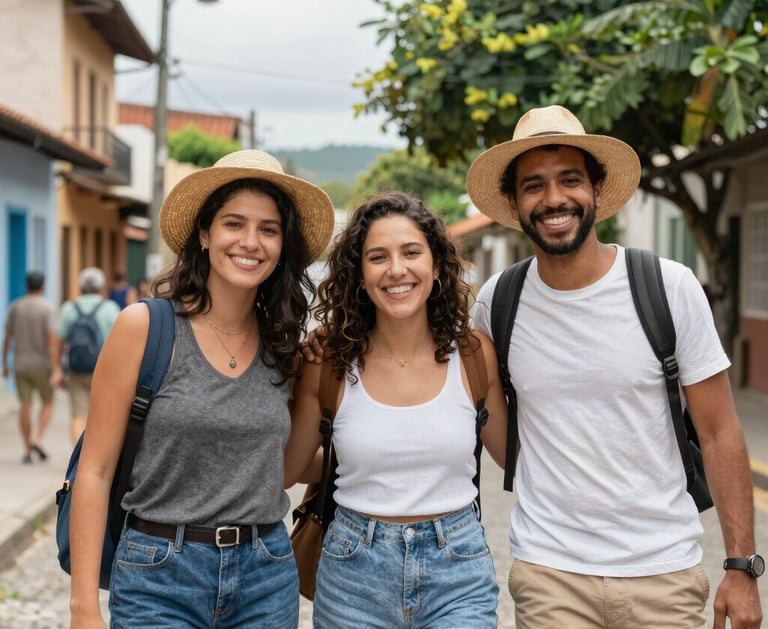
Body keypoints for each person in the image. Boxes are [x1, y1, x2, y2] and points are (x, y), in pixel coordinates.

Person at [464, 105, 762, 628]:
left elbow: (718, 432)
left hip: (663, 575)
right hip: (548, 573)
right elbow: (479, 411)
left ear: (597, 190)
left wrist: (741, 566)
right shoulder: (498, 301)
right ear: (513, 202)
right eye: (533, 185)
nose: (553, 198)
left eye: (570, 180)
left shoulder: (668, 287)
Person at [67, 149, 335, 629]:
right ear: (205, 235)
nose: (251, 242)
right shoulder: (144, 328)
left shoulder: (285, 346)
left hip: (265, 575)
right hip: (158, 574)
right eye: (234, 223)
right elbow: (96, 471)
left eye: (269, 229)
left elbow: (284, 462)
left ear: (282, 247)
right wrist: (84, 607)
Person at [286, 192, 508, 628]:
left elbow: (516, 457)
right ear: (359, 275)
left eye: (411, 252)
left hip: (458, 567)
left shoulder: (476, 355)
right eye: (377, 257)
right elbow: (285, 470)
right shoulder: (327, 364)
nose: (396, 270)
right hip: (352, 568)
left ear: (437, 265)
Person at [51, 267, 120, 444]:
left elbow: (58, 341)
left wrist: (57, 369)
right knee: (103, 415)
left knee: (77, 415)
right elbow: (121, 343)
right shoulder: (111, 308)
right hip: (106, 371)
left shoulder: (68, 308)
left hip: (77, 369)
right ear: (101, 286)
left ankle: (79, 458)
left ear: (80, 286)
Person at [2, 271, 57, 463]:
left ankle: (27, 449)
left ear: (27, 286)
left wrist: (5, 364)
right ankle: (37, 437)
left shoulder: (15, 307)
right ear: (43, 286)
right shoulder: (47, 308)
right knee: (48, 402)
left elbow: (7, 338)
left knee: (24, 405)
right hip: (42, 364)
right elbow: (51, 340)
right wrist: (56, 366)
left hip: (20, 364)